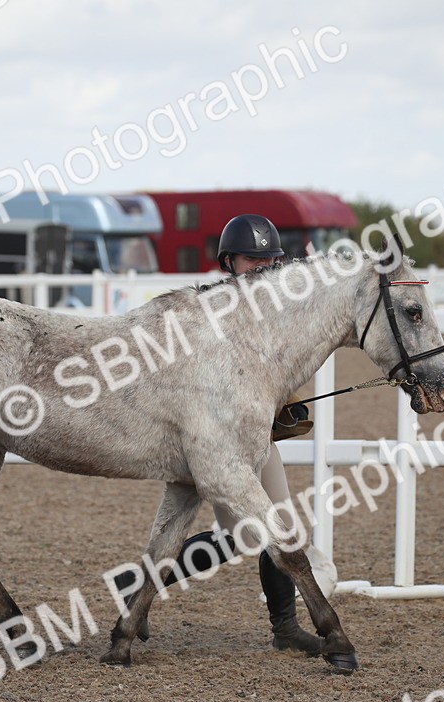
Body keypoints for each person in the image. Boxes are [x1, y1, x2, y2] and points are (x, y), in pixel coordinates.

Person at [117, 214, 336, 655]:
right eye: (249, 260)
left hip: (256, 439)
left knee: (283, 529)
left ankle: (286, 628)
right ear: (228, 263)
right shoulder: (205, 312)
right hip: (213, 442)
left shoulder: (280, 314)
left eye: (267, 260)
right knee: (249, 536)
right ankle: (140, 581)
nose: (259, 268)